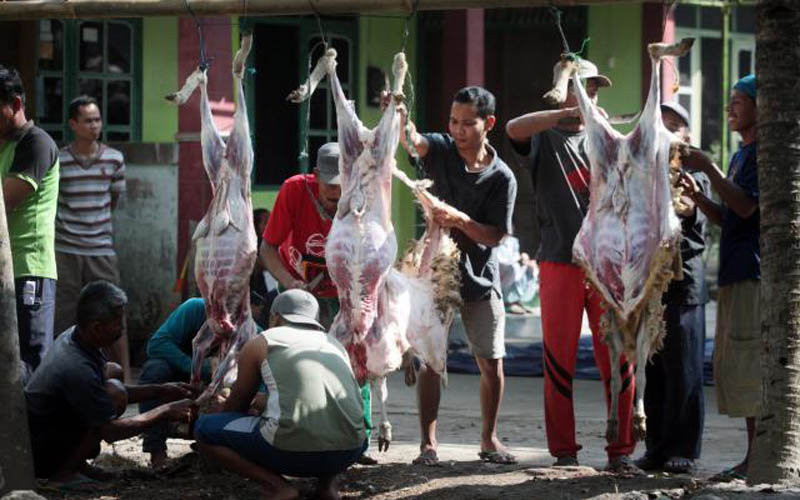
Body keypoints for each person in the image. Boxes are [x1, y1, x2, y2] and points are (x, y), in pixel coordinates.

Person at [505, 60, 639, 472]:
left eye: (593, 91)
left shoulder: (609, 140)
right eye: (580, 89)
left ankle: (621, 452)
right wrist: (566, 113)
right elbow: (513, 128)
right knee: (558, 358)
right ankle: (564, 451)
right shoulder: (543, 139)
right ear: (561, 92)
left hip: (607, 267)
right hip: (558, 261)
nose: (588, 97)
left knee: (618, 359)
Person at [399, 86, 518, 465]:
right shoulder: (442, 150)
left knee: (491, 360)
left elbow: (495, 235)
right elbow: (414, 141)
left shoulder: (502, 178)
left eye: (468, 123)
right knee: (432, 358)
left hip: (480, 278)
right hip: (436, 272)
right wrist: (400, 116)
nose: (458, 130)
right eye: (453, 121)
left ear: (490, 124)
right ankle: (428, 445)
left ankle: (488, 438)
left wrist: (462, 221)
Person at [259, 142, 374, 463]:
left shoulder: (361, 197)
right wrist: (291, 285)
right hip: (299, 290)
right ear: (315, 177)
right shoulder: (294, 191)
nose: (336, 193)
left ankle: (358, 436)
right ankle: (282, 427)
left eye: (342, 185)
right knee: (290, 360)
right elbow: (267, 249)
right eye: (329, 186)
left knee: (354, 361)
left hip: (341, 292)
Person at [193, 289, 366, 500]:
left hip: (289, 452)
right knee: (337, 425)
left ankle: (278, 487)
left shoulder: (263, 341)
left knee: (204, 429)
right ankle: (328, 487)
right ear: (315, 320)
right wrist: (260, 403)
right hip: (351, 450)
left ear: (275, 317)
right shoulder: (335, 345)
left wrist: (222, 409)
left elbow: (236, 407)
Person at [24, 281, 195, 485]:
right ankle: (64, 473)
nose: (122, 330)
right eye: (118, 323)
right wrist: (165, 411)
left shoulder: (77, 336)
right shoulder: (77, 368)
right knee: (112, 395)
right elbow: (111, 431)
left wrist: (160, 390)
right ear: (97, 327)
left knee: (112, 373)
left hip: (50, 431)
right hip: (43, 452)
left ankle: (78, 464)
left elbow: (99, 390)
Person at [678, 74, 759, 480]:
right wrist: (699, 197)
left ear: (762, 108)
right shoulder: (740, 155)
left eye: (739, 101)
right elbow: (729, 217)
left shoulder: (763, 155)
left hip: (752, 273)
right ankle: (753, 454)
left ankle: (758, 456)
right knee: (736, 365)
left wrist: (707, 166)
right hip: (733, 270)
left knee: (750, 363)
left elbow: (746, 210)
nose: (730, 109)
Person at [635, 100, 710, 474]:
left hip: (685, 285)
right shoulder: (645, 174)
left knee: (685, 370)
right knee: (657, 373)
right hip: (653, 287)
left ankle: (684, 449)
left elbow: (690, 213)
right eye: (659, 126)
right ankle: (657, 448)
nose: (664, 133)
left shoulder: (696, 174)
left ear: (687, 136)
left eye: (673, 126)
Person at [138, 292, 266, 467]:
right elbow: (157, 344)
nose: (224, 324)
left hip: (228, 390)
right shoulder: (193, 308)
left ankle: (216, 451)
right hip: (184, 378)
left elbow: (264, 388)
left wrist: (240, 398)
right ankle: (157, 452)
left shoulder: (256, 336)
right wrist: (197, 369)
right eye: (218, 316)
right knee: (155, 370)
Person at [54, 95, 130, 381]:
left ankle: (123, 378)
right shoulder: (59, 159)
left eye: (97, 119)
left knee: (113, 313)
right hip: (66, 249)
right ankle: (62, 374)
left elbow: (113, 200)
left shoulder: (114, 158)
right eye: (88, 121)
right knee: (64, 315)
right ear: (73, 124)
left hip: (101, 247)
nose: (95, 125)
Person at [0, 64, 60, 385]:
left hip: (28, 269)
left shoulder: (36, 143)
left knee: (30, 363)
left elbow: (4, 202)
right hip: (5, 268)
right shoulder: (4, 143)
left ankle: (35, 436)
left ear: (17, 105)